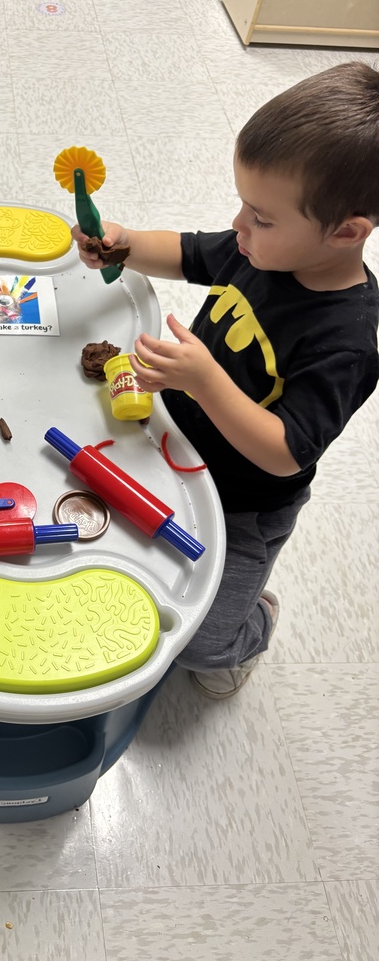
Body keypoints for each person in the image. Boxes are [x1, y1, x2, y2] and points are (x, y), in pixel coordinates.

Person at [74, 62, 379, 699]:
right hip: (181, 450)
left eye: (261, 216)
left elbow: (287, 450)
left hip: (246, 505)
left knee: (203, 646)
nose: (239, 227)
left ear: (347, 232)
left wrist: (206, 380)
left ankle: (255, 622)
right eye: (243, 205)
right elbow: (189, 252)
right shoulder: (265, 249)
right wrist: (125, 243)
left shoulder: (348, 342)